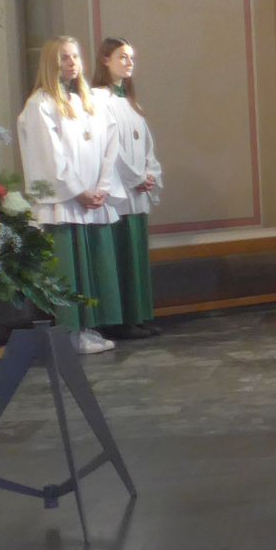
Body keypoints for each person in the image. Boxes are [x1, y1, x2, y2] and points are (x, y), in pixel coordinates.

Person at [17, 36, 123, 356]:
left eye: (75, 56)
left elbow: (110, 143)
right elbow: (50, 156)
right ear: (51, 62)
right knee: (68, 270)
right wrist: (77, 191)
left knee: (90, 267)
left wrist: (102, 186)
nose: (72, 62)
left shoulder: (89, 102)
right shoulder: (40, 104)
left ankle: (88, 327)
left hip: (92, 200)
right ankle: (70, 333)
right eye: (64, 57)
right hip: (64, 203)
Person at [90, 37, 161, 342]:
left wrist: (150, 173)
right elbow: (109, 149)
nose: (129, 62)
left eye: (131, 57)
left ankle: (137, 315)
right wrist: (135, 178)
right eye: (122, 57)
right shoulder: (98, 99)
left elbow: (147, 146)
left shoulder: (132, 103)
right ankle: (117, 320)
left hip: (137, 193)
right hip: (118, 193)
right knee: (119, 256)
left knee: (135, 256)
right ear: (105, 60)